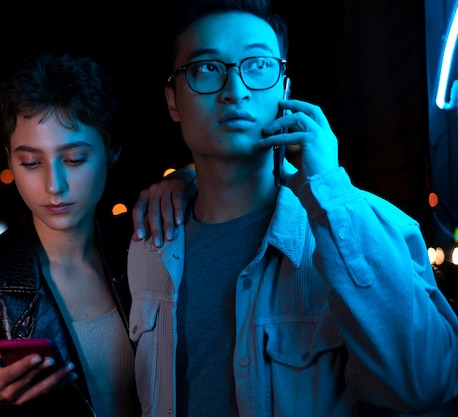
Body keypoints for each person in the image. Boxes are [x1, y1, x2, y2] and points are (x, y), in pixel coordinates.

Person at [127, 1, 458, 416]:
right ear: (173, 101)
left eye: (259, 64)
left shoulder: (370, 226)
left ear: (285, 89)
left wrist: (331, 189)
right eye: (208, 68)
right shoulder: (151, 241)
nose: (236, 90)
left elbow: (424, 386)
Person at [0, 52, 189, 417]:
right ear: (9, 158)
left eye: (75, 158)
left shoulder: (150, 255)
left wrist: (189, 178)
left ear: (111, 149)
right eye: (30, 162)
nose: (53, 186)